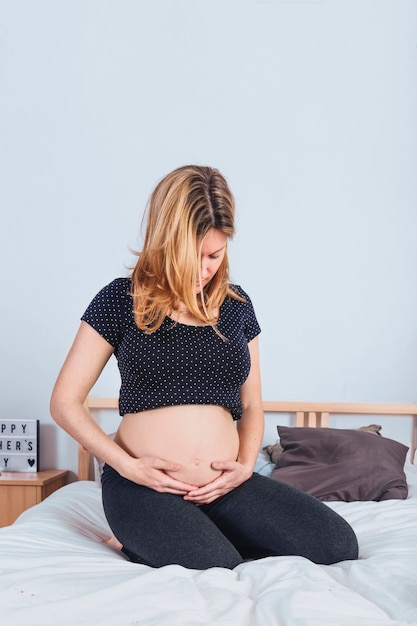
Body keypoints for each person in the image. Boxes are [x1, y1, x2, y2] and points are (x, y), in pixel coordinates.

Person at [50, 165, 358, 570]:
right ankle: (140, 535)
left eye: (214, 255)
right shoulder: (121, 300)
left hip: (224, 486)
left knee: (336, 544)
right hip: (143, 486)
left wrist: (245, 467)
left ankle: (187, 530)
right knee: (214, 565)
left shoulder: (238, 306)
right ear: (164, 241)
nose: (203, 269)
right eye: (190, 256)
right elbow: (64, 402)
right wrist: (128, 466)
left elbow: (251, 407)